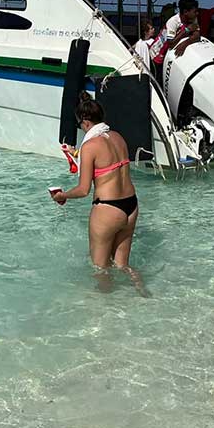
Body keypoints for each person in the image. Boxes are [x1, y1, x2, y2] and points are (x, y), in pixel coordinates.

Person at [51, 93, 142, 285]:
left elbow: (83, 190)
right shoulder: (118, 138)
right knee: (123, 265)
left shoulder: (90, 146)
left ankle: (103, 304)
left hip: (108, 208)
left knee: (100, 269)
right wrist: (78, 154)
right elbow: (107, 163)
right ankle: (142, 292)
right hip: (131, 206)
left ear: (85, 122)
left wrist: (62, 195)